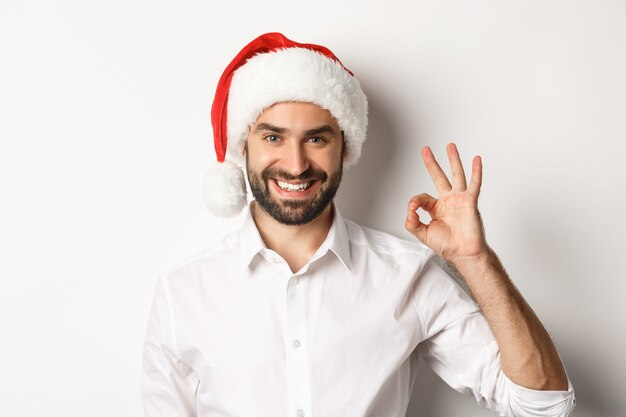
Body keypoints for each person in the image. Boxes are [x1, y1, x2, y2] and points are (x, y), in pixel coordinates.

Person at [141, 32, 576, 417]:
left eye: (316, 138)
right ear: (244, 147)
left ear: (344, 146)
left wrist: (476, 261)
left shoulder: (408, 275)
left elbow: (543, 404)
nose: (295, 164)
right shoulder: (183, 293)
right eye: (273, 137)